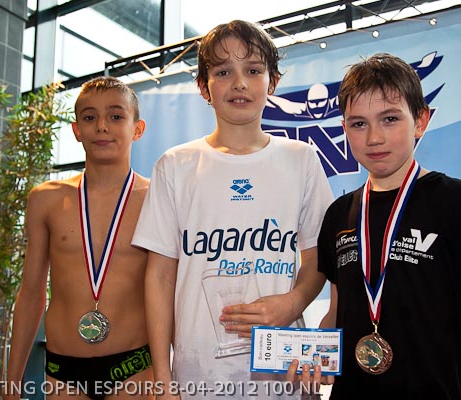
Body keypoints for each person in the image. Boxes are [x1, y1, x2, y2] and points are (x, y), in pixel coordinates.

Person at [288, 53, 461, 399]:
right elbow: (338, 313)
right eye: (359, 124)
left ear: (420, 121)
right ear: (344, 129)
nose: (374, 138)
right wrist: (316, 358)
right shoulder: (339, 214)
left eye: (389, 119)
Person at [131, 20, 334, 399]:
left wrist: (292, 303)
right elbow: (159, 276)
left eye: (253, 70)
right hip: (198, 375)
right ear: (203, 86)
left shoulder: (302, 159)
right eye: (223, 72)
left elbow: (319, 258)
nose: (239, 83)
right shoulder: (175, 165)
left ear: (272, 82)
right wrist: (162, 377)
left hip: (284, 374)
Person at [6, 76, 154, 400]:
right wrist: (12, 383)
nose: (102, 126)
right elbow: (31, 293)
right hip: (63, 371)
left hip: (134, 367)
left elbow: (170, 293)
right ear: (76, 130)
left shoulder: (156, 198)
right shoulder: (45, 199)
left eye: (116, 116)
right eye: (89, 117)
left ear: (137, 128)